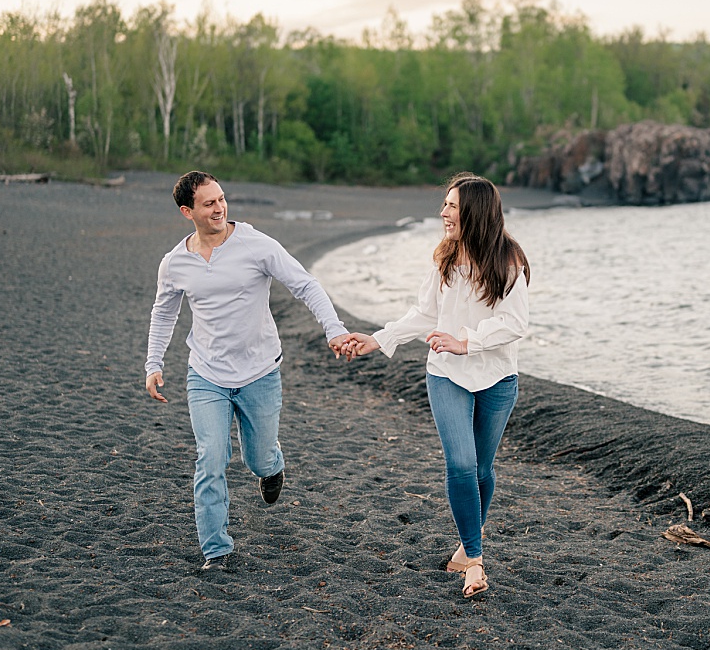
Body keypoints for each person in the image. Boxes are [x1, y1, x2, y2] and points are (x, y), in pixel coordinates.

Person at [145, 171, 350, 571]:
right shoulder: (174, 263)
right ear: (188, 211)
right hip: (205, 374)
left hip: (259, 371)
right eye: (209, 203)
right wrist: (153, 363)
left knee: (257, 458)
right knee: (211, 458)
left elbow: (306, 284)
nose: (220, 207)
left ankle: (272, 466)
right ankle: (216, 550)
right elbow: (164, 312)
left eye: (222, 198)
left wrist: (335, 330)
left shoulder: (256, 245)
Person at [341, 173, 530, 598]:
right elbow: (425, 314)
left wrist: (468, 342)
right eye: (444, 204)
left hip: (498, 378)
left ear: (475, 214)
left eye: (452, 206)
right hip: (446, 374)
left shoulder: (508, 260)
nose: (443, 213)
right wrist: (379, 339)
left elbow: (516, 324)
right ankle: (476, 563)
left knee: (482, 469)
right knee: (461, 464)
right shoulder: (444, 257)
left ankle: (466, 546)